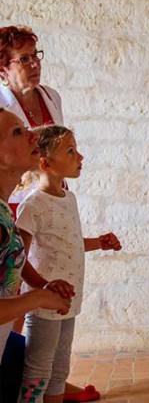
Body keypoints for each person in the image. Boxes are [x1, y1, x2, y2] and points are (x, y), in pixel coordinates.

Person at [0, 26, 98, 403]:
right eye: (23, 59)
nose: (34, 64)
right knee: (16, 288)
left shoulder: (50, 96)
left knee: (51, 293)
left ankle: (49, 380)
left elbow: (56, 145)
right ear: (4, 69)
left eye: (36, 55)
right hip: (13, 198)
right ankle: (25, 377)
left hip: (44, 192)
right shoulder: (1, 105)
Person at [16, 126, 121, 403]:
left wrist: (99, 242)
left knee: (60, 367)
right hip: (45, 303)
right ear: (45, 163)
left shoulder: (67, 197)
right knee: (38, 370)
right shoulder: (32, 205)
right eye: (71, 151)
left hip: (68, 300)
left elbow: (69, 243)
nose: (80, 156)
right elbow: (18, 260)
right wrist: (43, 287)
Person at [0, 109, 71, 402]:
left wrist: (41, 286)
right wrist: (40, 299)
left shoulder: (4, 209)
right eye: (17, 132)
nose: (33, 136)